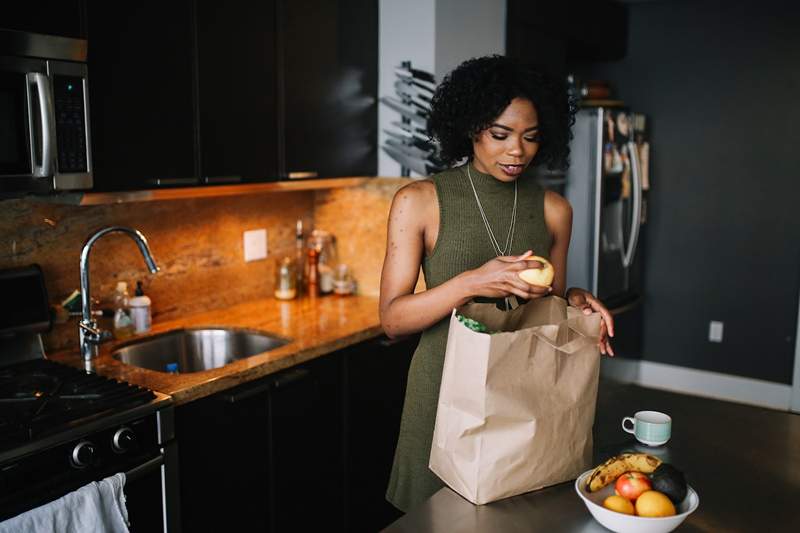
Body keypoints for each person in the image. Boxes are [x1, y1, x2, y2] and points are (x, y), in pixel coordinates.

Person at [380, 55, 616, 513]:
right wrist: (473, 282)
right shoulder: (420, 201)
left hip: (522, 395)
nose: (517, 152)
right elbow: (392, 321)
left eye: (530, 137)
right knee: (433, 520)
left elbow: (544, 308)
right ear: (471, 129)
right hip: (442, 395)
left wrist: (575, 299)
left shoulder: (554, 210)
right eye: (500, 135)